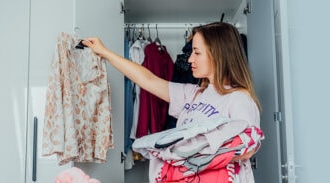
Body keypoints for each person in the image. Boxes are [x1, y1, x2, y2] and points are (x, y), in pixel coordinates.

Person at [82, 22, 262, 182]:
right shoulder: (194, 94)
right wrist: (104, 52)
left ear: (218, 55)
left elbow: (247, 149)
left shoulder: (239, 99)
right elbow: (148, 80)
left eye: (197, 52)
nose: (190, 59)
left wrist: (186, 153)